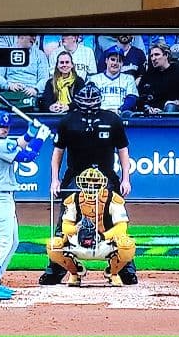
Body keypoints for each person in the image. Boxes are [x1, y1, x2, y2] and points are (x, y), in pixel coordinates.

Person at [38, 82, 137, 286]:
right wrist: (55, 179)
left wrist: (126, 178)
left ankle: (125, 266)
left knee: (115, 219)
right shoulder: (67, 121)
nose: (89, 104)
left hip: (106, 176)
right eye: (86, 101)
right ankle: (56, 267)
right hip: (76, 176)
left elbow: (123, 151)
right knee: (65, 220)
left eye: (93, 101)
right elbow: (58, 152)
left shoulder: (112, 119)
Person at [0, 110, 51, 300]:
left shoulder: (0, 142)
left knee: (13, 241)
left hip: (4, 199)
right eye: (1, 126)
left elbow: (16, 144)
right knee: (3, 242)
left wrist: (30, 133)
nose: (5, 129)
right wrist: (40, 138)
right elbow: (27, 156)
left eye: (7, 127)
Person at [46, 167, 136, 287]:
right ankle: (75, 271)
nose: (91, 186)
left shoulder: (112, 199)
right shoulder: (73, 199)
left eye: (95, 182)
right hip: (80, 242)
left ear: (102, 183)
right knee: (53, 245)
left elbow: (121, 226)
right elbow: (65, 226)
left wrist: (102, 236)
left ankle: (113, 272)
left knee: (127, 244)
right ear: (81, 183)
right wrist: (79, 229)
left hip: (104, 242)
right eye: (87, 182)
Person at [0, 34, 50, 107]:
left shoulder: (40, 55)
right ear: (21, 36)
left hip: (31, 94)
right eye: (31, 35)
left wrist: (36, 89)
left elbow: (44, 78)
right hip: (10, 94)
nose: (34, 38)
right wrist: (9, 85)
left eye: (35, 36)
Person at [137, 43, 179, 113]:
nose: (153, 58)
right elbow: (140, 98)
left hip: (171, 112)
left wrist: (175, 102)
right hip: (152, 113)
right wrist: (147, 107)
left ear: (166, 55)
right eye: (151, 56)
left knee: (170, 107)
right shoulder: (148, 75)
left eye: (157, 54)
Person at [88, 46, 139, 114]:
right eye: (112, 59)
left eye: (119, 61)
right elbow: (90, 99)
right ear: (106, 61)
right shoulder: (94, 79)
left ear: (122, 64)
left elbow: (131, 98)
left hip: (120, 114)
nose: (115, 63)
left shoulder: (129, 79)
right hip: (99, 114)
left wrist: (120, 110)